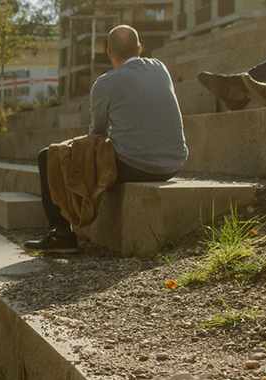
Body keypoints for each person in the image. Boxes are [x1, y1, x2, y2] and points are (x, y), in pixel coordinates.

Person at [25, 25, 187, 253]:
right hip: (174, 163)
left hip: (137, 165)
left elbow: (98, 133)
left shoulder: (105, 83)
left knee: (47, 156)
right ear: (139, 48)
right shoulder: (160, 68)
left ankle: (61, 235)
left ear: (109, 53)